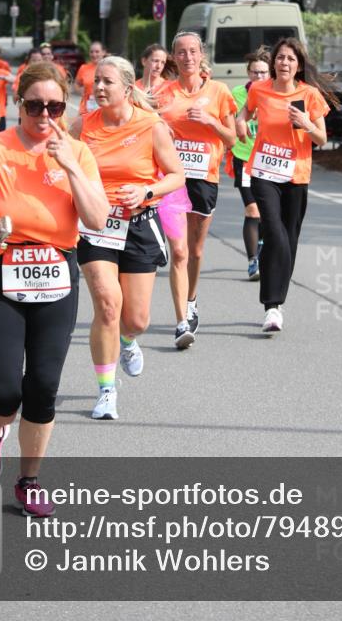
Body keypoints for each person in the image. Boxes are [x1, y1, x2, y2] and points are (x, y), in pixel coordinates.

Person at [0, 62, 108, 516]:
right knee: (2, 388)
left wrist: (71, 166)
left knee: (43, 385)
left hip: (57, 269)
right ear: (19, 105)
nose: (44, 114)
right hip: (1, 267)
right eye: (34, 105)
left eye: (54, 105)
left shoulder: (78, 152)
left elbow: (96, 219)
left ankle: (29, 479)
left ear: (65, 107)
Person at [69, 56, 184, 420]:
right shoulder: (82, 126)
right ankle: (106, 391)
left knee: (136, 319)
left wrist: (147, 191)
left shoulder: (151, 126)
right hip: (96, 226)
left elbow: (176, 175)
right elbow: (58, 167)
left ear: (128, 88)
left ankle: (128, 340)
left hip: (137, 224)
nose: (99, 88)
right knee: (106, 305)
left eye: (107, 82)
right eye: (96, 82)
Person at [236, 38, 337, 334]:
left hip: (296, 175)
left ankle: (275, 305)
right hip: (264, 171)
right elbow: (246, 112)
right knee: (274, 230)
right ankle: (271, 305)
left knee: (288, 239)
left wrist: (306, 122)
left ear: (298, 65)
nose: (284, 63)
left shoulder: (309, 94)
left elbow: (322, 139)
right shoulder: (260, 89)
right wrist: (241, 123)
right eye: (280, 58)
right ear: (273, 63)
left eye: (290, 59)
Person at [158, 32, 236, 348]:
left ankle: (191, 301)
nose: (187, 57)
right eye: (181, 52)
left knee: (197, 249)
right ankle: (181, 319)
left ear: (201, 54)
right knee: (179, 250)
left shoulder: (219, 91)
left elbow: (232, 139)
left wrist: (209, 121)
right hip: (174, 178)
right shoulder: (164, 93)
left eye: (192, 51)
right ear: (174, 58)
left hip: (205, 177)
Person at [228, 49, 271, 280]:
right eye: (255, 72)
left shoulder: (276, 94)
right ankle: (253, 260)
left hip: (269, 160)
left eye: (264, 72)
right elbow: (229, 119)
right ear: (248, 73)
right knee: (252, 209)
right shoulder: (237, 93)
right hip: (244, 157)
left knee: (267, 212)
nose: (259, 77)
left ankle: (263, 246)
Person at [74, 41, 106, 114]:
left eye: (97, 52)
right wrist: (81, 91)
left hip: (103, 108)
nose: (94, 54)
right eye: (91, 52)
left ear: (103, 52)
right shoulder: (84, 68)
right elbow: (76, 84)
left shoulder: (108, 68)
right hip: (86, 108)